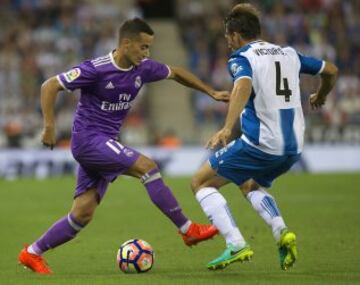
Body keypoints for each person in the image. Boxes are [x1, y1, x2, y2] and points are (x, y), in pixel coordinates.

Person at [18, 18, 229, 274]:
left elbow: (176, 73)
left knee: (82, 215)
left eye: (149, 47)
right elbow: (49, 85)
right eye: (142, 47)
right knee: (147, 167)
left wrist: (211, 92)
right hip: (87, 140)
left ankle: (32, 253)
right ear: (126, 43)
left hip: (105, 143)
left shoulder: (144, 68)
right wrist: (49, 126)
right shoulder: (96, 69)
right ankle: (188, 230)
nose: (146, 53)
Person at [190, 3, 338, 270]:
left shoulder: (241, 58)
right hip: (294, 147)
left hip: (262, 144)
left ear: (235, 35)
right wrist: (321, 95)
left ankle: (235, 243)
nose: (228, 43)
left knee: (200, 182)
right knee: (249, 184)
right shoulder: (288, 53)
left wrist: (227, 127)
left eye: (227, 38)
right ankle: (282, 232)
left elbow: (244, 85)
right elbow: (332, 70)